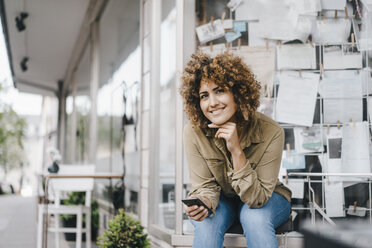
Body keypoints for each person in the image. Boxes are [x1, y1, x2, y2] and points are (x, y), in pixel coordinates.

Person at [179, 52, 292, 248]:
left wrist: (236, 150)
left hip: (266, 198)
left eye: (220, 90)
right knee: (206, 223)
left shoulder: (271, 132)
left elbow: (258, 198)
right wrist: (201, 202)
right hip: (223, 200)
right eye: (204, 96)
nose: (212, 103)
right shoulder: (193, 132)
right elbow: (205, 186)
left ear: (238, 93)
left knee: (253, 217)